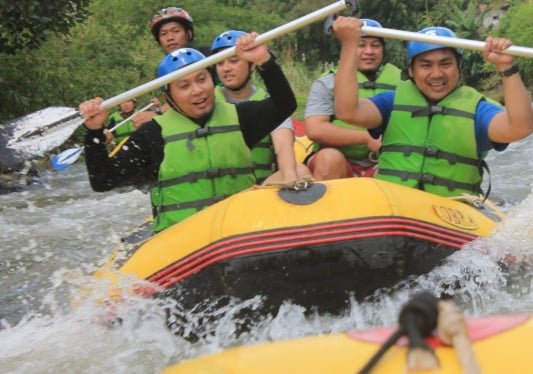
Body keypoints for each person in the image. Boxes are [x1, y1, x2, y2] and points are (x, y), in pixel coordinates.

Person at [79, 33, 297, 233]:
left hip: (237, 231)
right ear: (169, 97)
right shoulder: (153, 135)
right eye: (184, 86)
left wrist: (263, 61)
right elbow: (103, 181)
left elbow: (285, 104)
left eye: (202, 80)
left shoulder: (241, 118)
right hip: (182, 240)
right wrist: (94, 133)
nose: (197, 90)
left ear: (212, 80)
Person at [332, 16, 533, 198]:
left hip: (452, 212)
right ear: (411, 70)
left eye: (445, 64)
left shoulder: (478, 110)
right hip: (395, 207)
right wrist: (349, 46)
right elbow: (347, 111)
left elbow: (520, 128)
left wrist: (507, 67)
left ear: (459, 67)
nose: (436, 74)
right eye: (426, 65)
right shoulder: (391, 102)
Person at [304, 18, 402, 180]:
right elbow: (315, 129)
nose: (369, 52)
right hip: (340, 161)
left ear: (383, 50)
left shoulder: (402, 82)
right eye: (361, 45)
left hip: (384, 161)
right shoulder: (328, 82)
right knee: (329, 158)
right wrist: (366, 138)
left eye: (375, 46)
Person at [210, 30, 311, 185]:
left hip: (257, 188)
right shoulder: (207, 102)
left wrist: (290, 177)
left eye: (234, 61)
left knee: (300, 171)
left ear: (252, 66)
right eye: (220, 63)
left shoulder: (270, 103)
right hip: (219, 188)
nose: (226, 69)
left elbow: (283, 146)